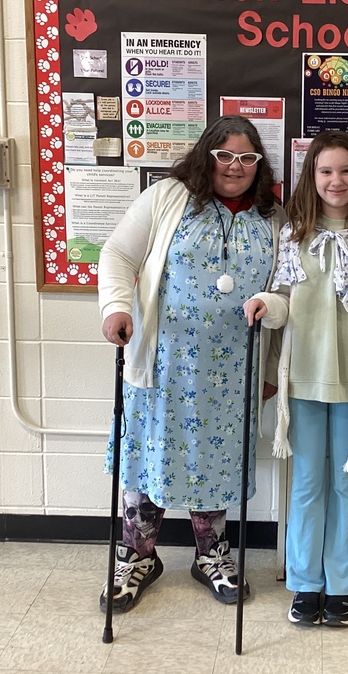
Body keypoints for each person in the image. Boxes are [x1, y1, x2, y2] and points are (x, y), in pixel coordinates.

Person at [97, 115, 285, 614]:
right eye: (225, 155)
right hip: (164, 361)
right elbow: (118, 254)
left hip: (235, 369)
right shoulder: (168, 197)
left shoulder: (274, 217)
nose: (235, 167)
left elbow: (288, 292)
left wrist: (271, 369)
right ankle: (138, 555)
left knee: (217, 458)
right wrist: (115, 306)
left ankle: (211, 555)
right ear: (207, 156)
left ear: (259, 164)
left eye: (247, 158)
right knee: (151, 455)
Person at [244, 130, 348, 628]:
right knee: (306, 487)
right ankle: (304, 583)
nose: (335, 180)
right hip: (302, 384)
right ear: (311, 177)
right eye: (325, 171)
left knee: (347, 487)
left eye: (345, 170)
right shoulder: (295, 234)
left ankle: (341, 588)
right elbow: (282, 300)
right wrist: (263, 304)